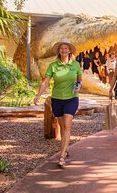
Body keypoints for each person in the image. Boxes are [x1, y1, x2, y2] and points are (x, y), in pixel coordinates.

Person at [33, 39, 82, 167]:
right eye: (62, 48)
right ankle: (65, 148)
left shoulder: (75, 65)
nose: (64, 50)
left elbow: (79, 80)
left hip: (71, 99)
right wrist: (38, 95)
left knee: (67, 125)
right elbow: (45, 82)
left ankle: (62, 156)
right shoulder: (53, 66)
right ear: (59, 51)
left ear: (70, 50)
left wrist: (78, 86)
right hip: (57, 100)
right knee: (62, 126)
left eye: (66, 48)